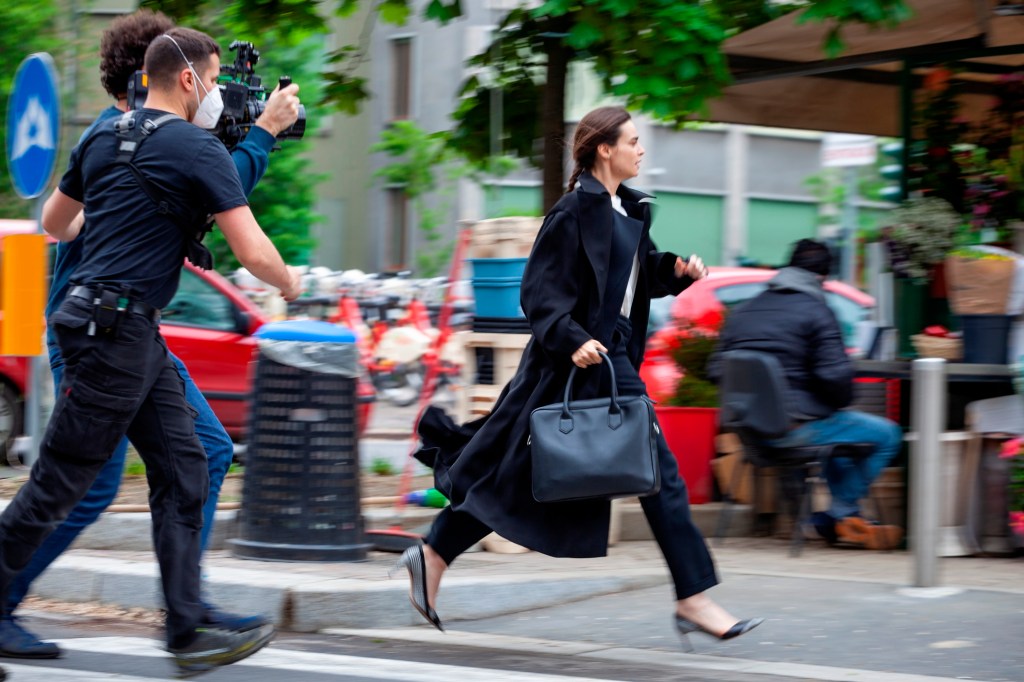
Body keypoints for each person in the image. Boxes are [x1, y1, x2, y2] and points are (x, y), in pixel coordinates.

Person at [399, 106, 763, 647]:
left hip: (610, 357)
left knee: (532, 474)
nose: (641, 150)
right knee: (629, 473)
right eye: (633, 141)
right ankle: (692, 596)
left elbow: (630, 276)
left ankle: (433, 554)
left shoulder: (627, 208)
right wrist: (573, 340)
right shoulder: (572, 211)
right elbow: (538, 293)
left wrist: (674, 272)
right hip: (574, 361)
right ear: (604, 149)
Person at [0, 10, 302, 660]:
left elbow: (56, 221)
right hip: (109, 328)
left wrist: (125, 220)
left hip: (124, 326)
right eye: (215, 80)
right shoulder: (186, 146)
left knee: (194, 459)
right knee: (68, 481)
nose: (220, 93)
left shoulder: (106, 138)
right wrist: (289, 281)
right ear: (185, 78)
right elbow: (249, 246)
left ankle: (186, 623)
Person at [707, 239, 903, 549]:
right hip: (794, 431)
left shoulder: (742, 311)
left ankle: (844, 518)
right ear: (823, 278)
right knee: (887, 434)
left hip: (749, 433)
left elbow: (715, 369)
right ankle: (837, 515)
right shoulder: (817, 311)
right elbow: (836, 379)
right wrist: (828, 400)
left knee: (837, 433)